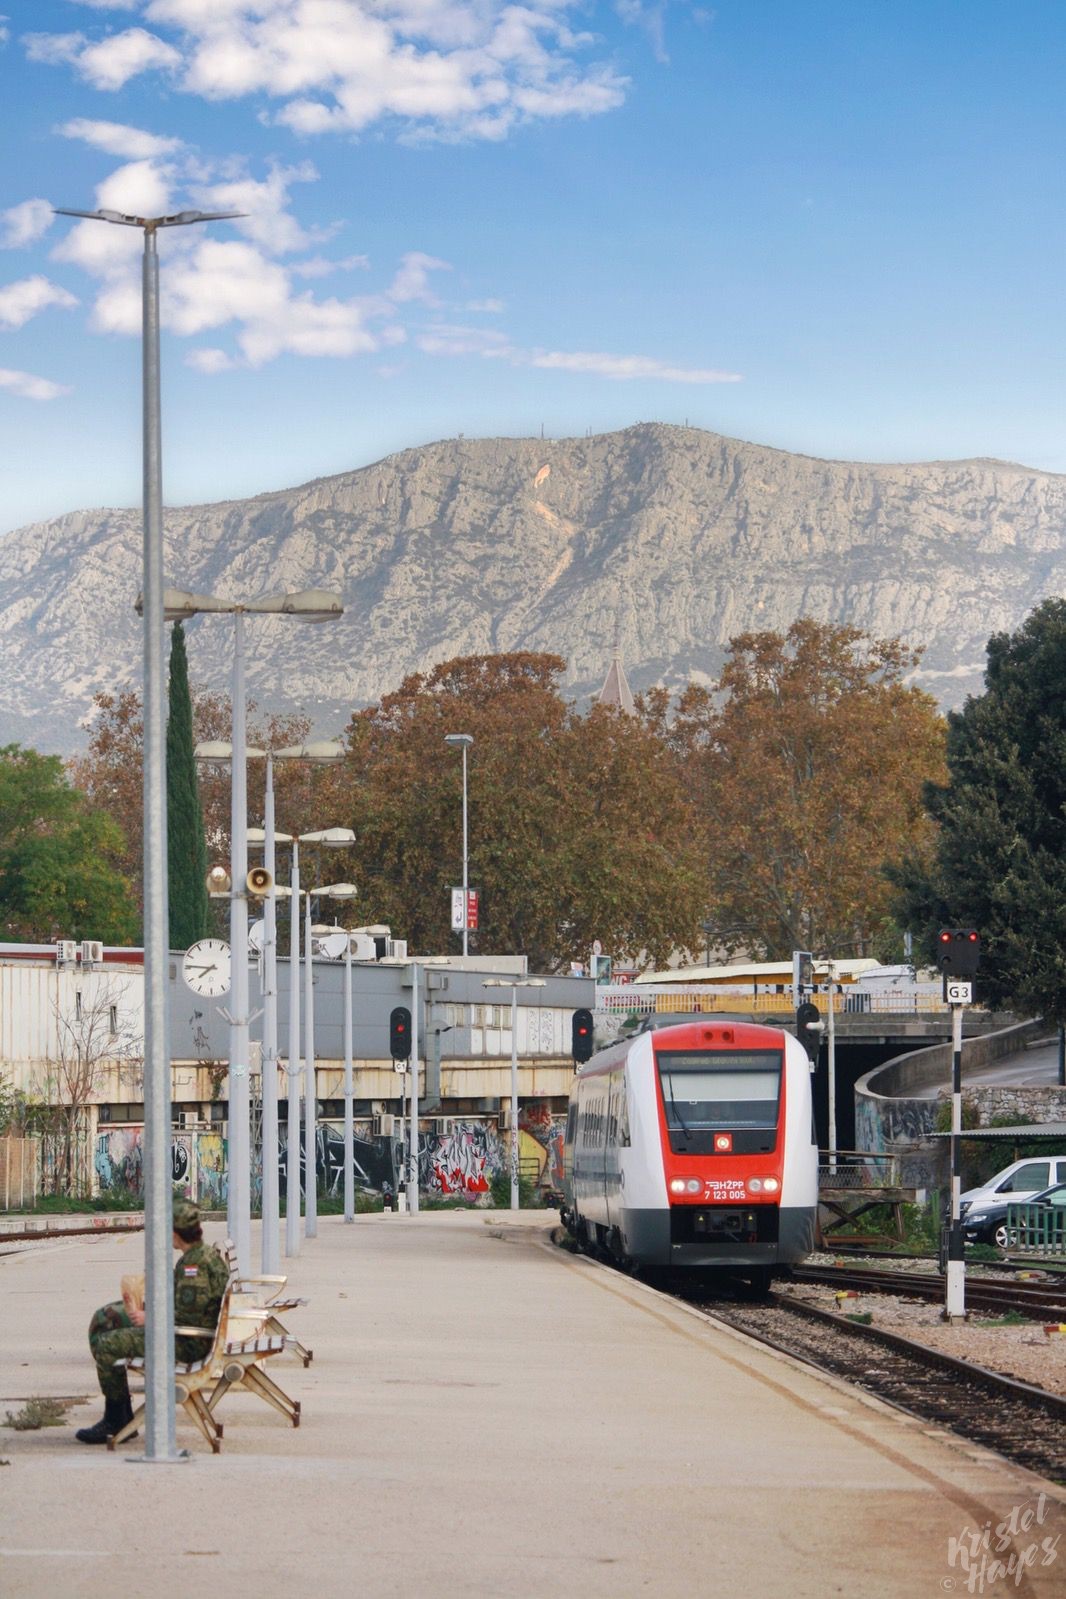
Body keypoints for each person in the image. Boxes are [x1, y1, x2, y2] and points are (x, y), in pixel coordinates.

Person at [76, 1197, 229, 1445]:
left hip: (186, 1343)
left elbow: (188, 1317)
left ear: (175, 1231)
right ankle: (121, 1413)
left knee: (107, 1345)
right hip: (187, 1335)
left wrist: (149, 1318)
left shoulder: (194, 1266)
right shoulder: (201, 1256)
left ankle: (115, 1419)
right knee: (107, 1321)